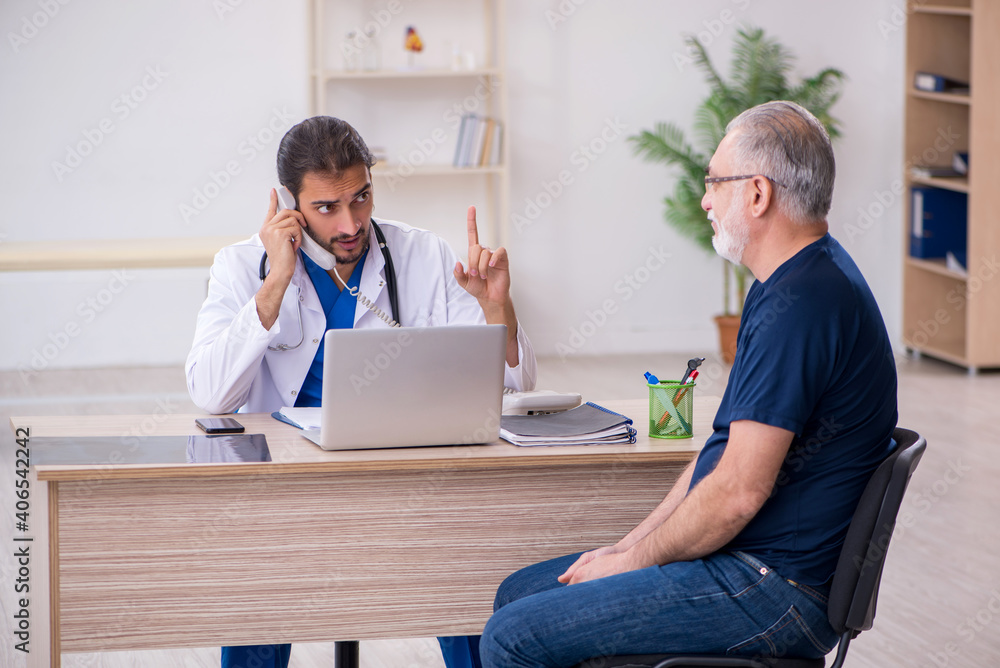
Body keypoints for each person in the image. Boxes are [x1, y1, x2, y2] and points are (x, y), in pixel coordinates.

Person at [476, 101, 898, 667]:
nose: (704, 200)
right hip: (752, 566)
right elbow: (718, 462)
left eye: (713, 182)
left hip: (775, 592)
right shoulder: (791, 283)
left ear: (756, 194)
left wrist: (630, 565)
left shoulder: (806, 303)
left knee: (513, 637)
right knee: (519, 595)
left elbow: (738, 493)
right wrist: (626, 548)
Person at [185, 116, 536, 668]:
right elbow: (210, 394)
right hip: (287, 483)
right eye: (326, 208)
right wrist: (275, 283)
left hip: (402, 474)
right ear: (288, 206)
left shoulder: (423, 255)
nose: (351, 223)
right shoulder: (240, 266)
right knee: (263, 582)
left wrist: (497, 309)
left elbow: (514, 388)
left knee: (464, 561)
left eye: (361, 198)